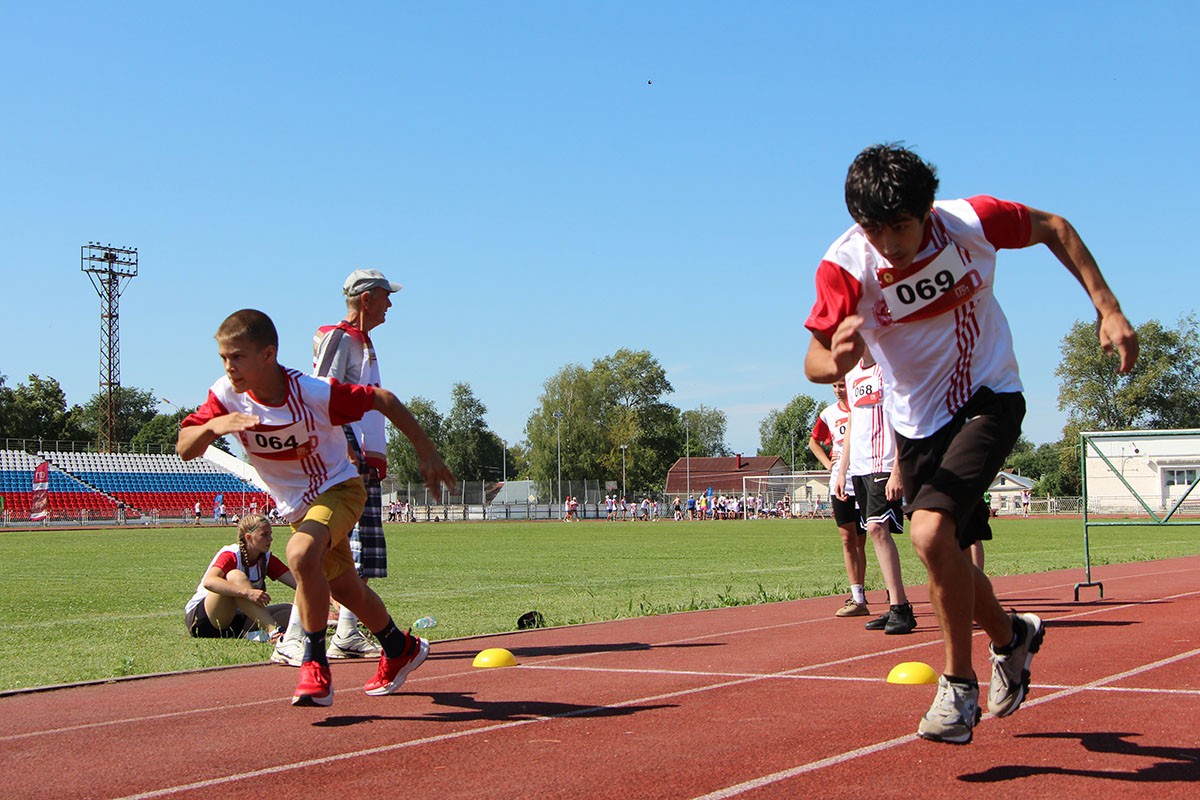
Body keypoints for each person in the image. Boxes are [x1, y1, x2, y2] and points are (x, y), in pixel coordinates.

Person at [804, 143, 1138, 743]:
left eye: (900, 228)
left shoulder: (970, 222)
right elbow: (813, 360)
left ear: (926, 210)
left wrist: (1106, 306)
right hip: (916, 422)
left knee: (930, 533)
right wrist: (838, 358)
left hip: (989, 395)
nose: (889, 244)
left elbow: (1054, 228)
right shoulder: (844, 265)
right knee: (943, 553)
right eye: (875, 230)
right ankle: (1013, 636)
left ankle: (958, 691)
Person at [178, 309, 455, 707]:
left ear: (268, 354)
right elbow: (185, 448)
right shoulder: (224, 395)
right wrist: (210, 428)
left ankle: (314, 663)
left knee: (300, 553)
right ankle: (399, 646)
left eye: (237, 356)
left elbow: (383, 400)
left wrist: (427, 452)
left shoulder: (310, 393)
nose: (229, 366)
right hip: (299, 511)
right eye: (223, 357)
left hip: (340, 488)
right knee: (345, 587)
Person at [273, 268, 403, 666]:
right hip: (343, 456)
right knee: (325, 550)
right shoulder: (339, 337)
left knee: (359, 548)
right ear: (366, 299)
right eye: (385, 296)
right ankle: (294, 637)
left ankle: (347, 631)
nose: (390, 304)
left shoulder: (363, 343)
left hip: (359, 456)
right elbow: (321, 392)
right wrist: (342, 447)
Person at [835, 355, 916, 635]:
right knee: (876, 532)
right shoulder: (851, 373)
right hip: (859, 467)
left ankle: (900, 607)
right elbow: (853, 424)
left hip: (884, 461)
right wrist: (842, 471)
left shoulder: (889, 368)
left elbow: (903, 419)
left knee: (877, 528)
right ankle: (896, 603)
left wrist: (898, 469)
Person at [808, 378, 868, 618]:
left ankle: (864, 593)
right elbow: (814, 441)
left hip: (863, 478)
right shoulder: (829, 414)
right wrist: (827, 464)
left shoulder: (863, 409)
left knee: (863, 540)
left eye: (841, 385)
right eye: (833, 386)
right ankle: (857, 596)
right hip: (840, 482)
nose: (837, 390)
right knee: (847, 539)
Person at [185, 513, 295, 641]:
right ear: (249, 537)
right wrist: (247, 592)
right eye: (264, 535)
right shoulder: (231, 554)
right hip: (206, 620)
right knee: (235, 575)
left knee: (291, 611)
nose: (270, 539)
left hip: (237, 620)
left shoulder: (266, 558)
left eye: (270, 534)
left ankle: (251, 635)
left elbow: (298, 584)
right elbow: (209, 582)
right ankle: (274, 632)